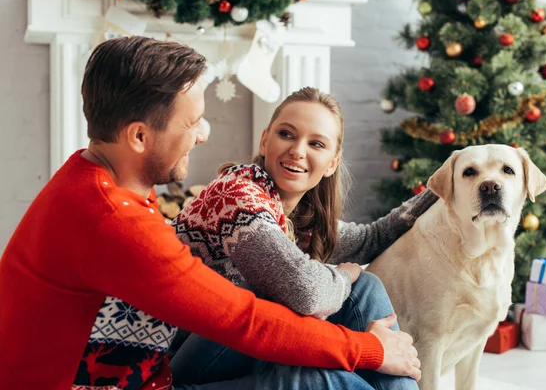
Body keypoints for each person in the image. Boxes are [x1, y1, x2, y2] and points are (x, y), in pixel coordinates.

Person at [0, 36, 424, 390]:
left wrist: (439, 191)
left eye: (317, 144)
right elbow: (246, 320)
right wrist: (370, 349)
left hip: (149, 366)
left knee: (360, 291)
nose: (204, 135)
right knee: (312, 379)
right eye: (194, 122)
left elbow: (250, 311)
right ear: (140, 136)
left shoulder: (97, 180)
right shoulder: (115, 221)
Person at [170, 87, 439, 389]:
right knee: (310, 361)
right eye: (286, 134)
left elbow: (373, 238)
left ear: (332, 163)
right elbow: (307, 293)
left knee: (364, 287)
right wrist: (343, 274)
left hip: (230, 352)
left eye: (316, 143)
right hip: (175, 367)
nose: (298, 150)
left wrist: (443, 185)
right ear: (265, 140)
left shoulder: (297, 218)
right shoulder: (237, 196)